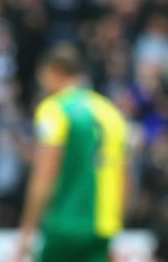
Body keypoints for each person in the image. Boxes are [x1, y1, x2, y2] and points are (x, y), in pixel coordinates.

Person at [14, 44, 128, 262]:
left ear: (53, 71)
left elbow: (45, 173)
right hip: (102, 229)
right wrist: (116, 229)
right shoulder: (111, 113)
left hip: (64, 223)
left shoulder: (54, 110)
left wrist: (27, 231)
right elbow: (125, 177)